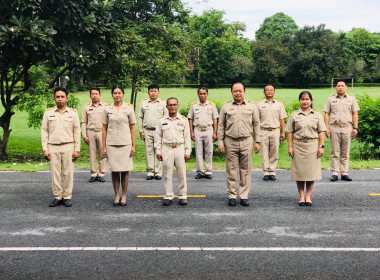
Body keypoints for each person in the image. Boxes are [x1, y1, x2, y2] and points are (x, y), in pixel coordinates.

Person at [217, 82, 261, 207]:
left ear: (244, 92)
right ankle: (231, 195)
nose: (238, 93)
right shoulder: (226, 107)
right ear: (232, 92)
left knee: (246, 170)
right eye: (235, 91)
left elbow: (257, 124)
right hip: (230, 141)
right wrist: (220, 142)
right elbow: (221, 125)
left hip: (247, 140)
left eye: (240, 91)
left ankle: (243, 196)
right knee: (231, 170)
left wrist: (258, 141)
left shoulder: (252, 107)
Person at [41, 87, 80, 207]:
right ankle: (58, 196)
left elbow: (77, 132)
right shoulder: (48, 113)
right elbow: (44, 131)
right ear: (54, 99)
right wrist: (45, 149)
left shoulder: (72, 113)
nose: (60, 99)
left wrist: (77, 149)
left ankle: (67, 196)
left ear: (66, 98)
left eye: (62, 97)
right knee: (55, 173)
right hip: (53, 146)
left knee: (68, 173)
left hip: (69, 146)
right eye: (57, 97)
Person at [286, 91, 326, 206]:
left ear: (311, 101)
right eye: (303, 99)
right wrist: (290, 147)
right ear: (300, 101)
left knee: (310, 173)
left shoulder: (317, 115)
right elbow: (290, 132)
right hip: (298, 146)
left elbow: (321, 132)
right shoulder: (294, 115)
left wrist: (321, 146)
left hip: (312, 146)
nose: (305, 101)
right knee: (299, 173)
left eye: (307, 99)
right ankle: (301, 196)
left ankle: (308, 196)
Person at [102, 85, 136, 206]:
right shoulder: (107, 109)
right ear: (112, 95)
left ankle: (124, 195)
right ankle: (117, 195)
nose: (117, 95)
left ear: (123, 94)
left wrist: (133, 145)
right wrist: (104, 147)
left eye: (119, 93)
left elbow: (132, 127)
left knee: (125, 170)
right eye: (115, 93)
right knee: (115, 170)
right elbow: (104, 128)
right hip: (111, 143)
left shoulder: (129, 108)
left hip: (125, 143)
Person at [154, 97, 191, 206]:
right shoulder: (161, 120)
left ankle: (182, 195)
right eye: (170, 105)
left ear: (177, 106)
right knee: (167, 173)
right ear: (167, 107)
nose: (172, 107)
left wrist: (187, 151)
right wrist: (158, 151)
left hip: (180, 147)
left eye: (174, 104)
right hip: (167, 148)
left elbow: (187, 137)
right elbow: (157, 137)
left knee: (182, 173)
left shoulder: (183, 120)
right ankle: (168, 195)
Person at [323, 81, 360, 181]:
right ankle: (335, 172)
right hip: (334, 127)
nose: (340, 88)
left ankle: (344, 173)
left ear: (346, 87)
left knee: (345, 151)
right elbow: (327, 114)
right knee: (334, 151)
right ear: (335, 88)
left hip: (347, 127)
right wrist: (326, 128)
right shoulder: (331, 99)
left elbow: (354, 114)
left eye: (342, 86)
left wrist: (355, 127)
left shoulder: (351, 98)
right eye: (338, 86)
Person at [187, 87, 219, 179]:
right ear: (198, 94)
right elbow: (190, 119)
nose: (202, 95)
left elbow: (215, 119)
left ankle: (208, 171)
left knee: (209, 151)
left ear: (207, 94)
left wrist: (215, 133)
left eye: (204, 94)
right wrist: (191, 132)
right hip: (198, 130)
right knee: (198, 152)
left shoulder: (211, 105)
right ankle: (200, 171)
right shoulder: (194, 106)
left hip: (209, 130)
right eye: (201, 94)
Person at [257, 85, 287, 181]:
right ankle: (266, 172)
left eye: (271, 90)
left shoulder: (279, 104)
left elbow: (281, 119)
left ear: (274, 92)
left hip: (275, 131)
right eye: (267, 90)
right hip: (263, 131)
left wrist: (283, 132)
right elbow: (256, 121)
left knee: (274, 152)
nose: (269, 92)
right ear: (264, 92)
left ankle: (272, 171)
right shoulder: (259, 104)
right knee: (264, 152)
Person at [138, 84, 168, 180]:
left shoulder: (163, 103)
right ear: (148, 92)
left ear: (158, 92)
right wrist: (141, 130)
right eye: (151, 91)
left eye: (155, 91)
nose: (153, 93)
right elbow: (140, 117)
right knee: (149, 151)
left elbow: (166, 118)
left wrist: (165, 131)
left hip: (159, 131)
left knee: (159, 150)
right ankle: (150, 172)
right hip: (147, 130)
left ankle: (158, 172)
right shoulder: (143, 103)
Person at [81, 88, 107, 182]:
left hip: (101, 132)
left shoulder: (105, 106)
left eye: (96, 94)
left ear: (100, 95)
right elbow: (83, 122)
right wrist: (84, 135)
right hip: (90, 132)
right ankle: (93, 174)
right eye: (93, 94)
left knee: (102, 153)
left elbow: (107, 122)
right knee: (92, 154)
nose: (95, 96)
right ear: (90, 96)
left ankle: (101, 173)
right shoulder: (86, 107)